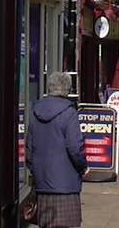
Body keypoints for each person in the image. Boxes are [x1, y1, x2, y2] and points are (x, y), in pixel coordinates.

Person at [25, 72, 88, 228]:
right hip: (65, 186)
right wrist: (83, 167)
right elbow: (75, 147)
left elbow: (29, 151)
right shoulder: (69, 113)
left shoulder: (35, 112)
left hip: (43, 184)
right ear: (67, 90)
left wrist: (37, 171)